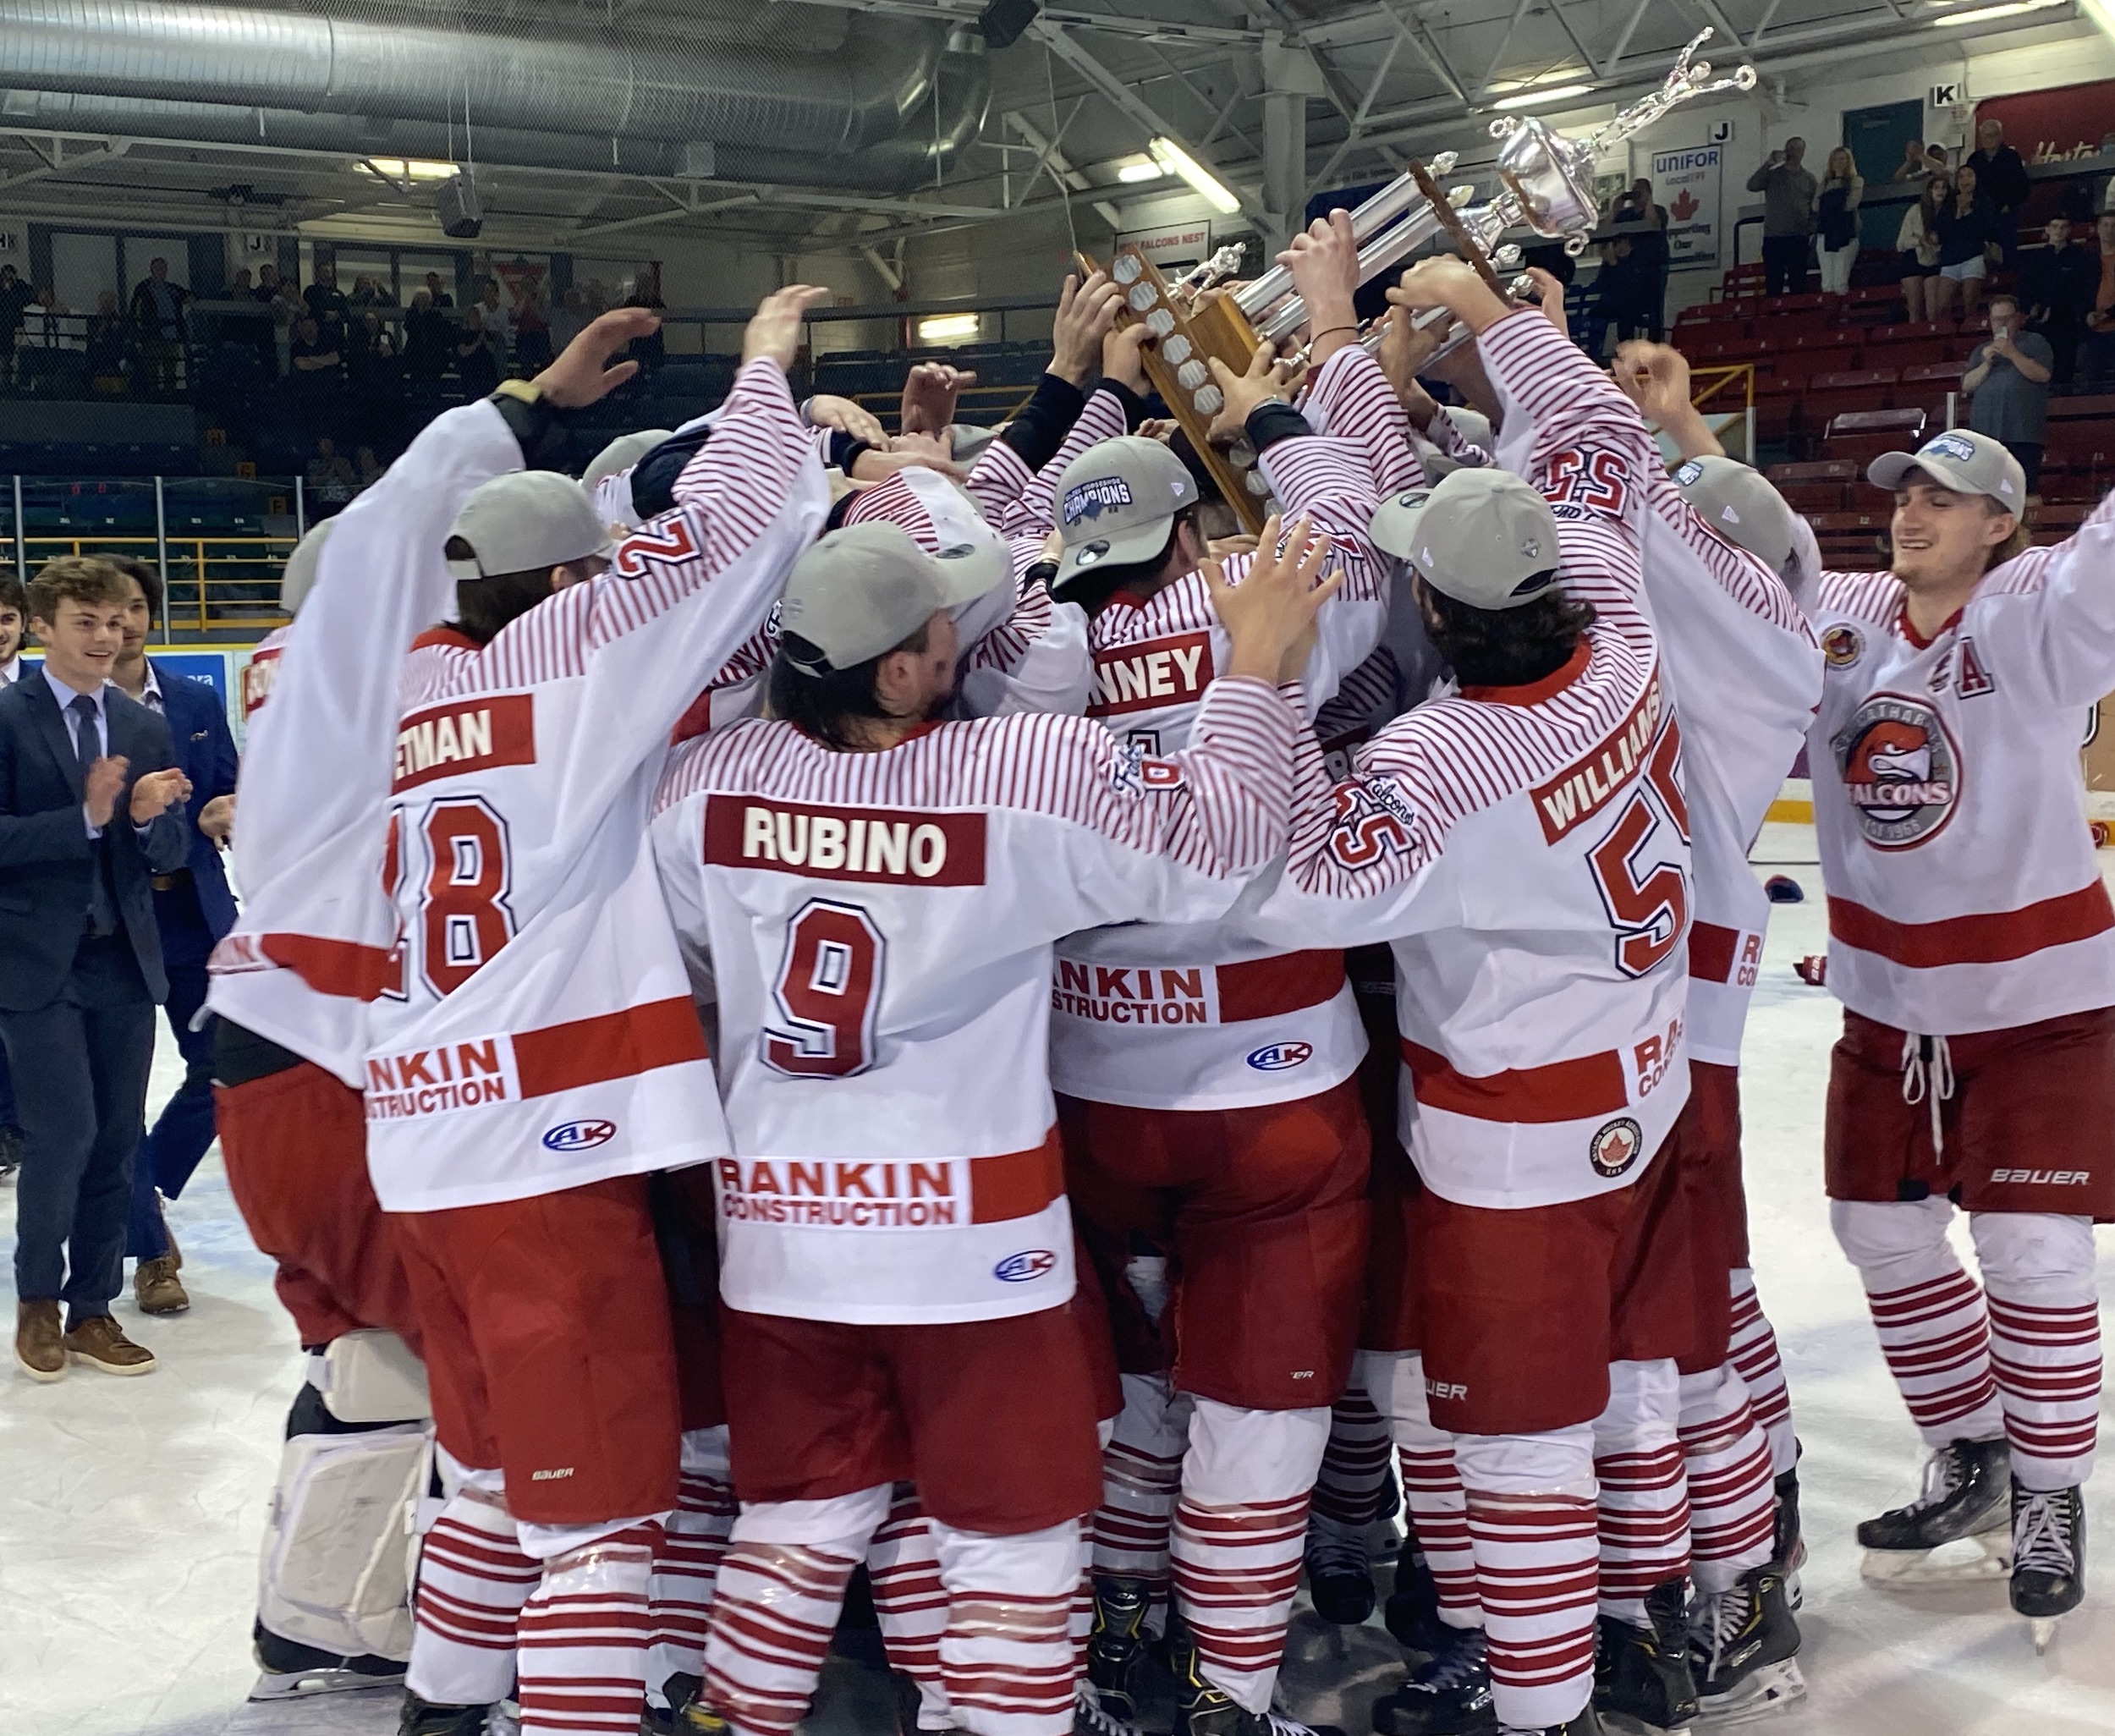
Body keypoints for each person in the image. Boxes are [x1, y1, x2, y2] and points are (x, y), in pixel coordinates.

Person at [649, 503, 1323, 1736]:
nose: (963, 627)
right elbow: (1224, 840)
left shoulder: (706, 784)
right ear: (900, 669)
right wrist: (1263, 664)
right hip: (973, 1246)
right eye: (937, 621)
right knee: (1010, 1538)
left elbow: (687, 954)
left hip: (784, 1239)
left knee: (797, 1519)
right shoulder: (1021, 768)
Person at [368, 288, 828, 1736]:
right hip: (542, 1150)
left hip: (426, 1146)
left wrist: (527, 407)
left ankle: (444, 1705)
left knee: (493, 1477)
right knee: (602, 1521)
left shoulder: (403, 683)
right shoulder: (573, 658)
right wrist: (762, 373)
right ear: (573, 581)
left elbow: (400, 522)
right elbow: (746, 513)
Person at [1253, 256, 1689, 1736]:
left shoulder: (1445, 757)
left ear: (1430, 604)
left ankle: (1541, 1709)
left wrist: (1271, 679)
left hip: (1518, 1138)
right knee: (1601, 1393)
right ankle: (1635, 1622)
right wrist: (1502, 319)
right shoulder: (1620, 637)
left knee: (1515, 1437)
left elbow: (1298, 877)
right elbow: (1597, 444)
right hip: (1645, 1080)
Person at [205, 312, 660, 1711]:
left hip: (277, 1061)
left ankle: (325, 1624)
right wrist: (521, 406)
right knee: (493, 1378)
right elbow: (403, 518)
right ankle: (511, 1649)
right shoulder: (380, 658)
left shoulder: (322, 684)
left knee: (371, 1364)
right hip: (341, 1066)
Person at [1049, 218, 1391, 1736]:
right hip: (1274, 1078)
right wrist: (1280, 383)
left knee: (1130, 1385)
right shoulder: (1262, 594)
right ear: (1194, 530)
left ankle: (1120, 1615)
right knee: (1262, 1401)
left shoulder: (1006, 639)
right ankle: (1227, 1682)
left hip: (1089, 1083)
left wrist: (1080, 391)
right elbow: (1356, 511)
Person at [1795, 427, 2112, 1649]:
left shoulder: (2036, 614)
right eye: (1909, 492)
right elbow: (1735, 571)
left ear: (2001, 526)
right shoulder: (1850, 616)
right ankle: (1973, 1448)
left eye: (1952, 499)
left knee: (2034, 1253)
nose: (1917, 512)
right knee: (1878, 1231)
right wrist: (1671, 435)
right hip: (1892, 1003)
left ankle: (2047, 1494)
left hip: (2041, 1008)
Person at [1608, 343, 1828, 1726]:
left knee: (1679, 1324)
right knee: (1706, 1300)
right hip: (1674, 1028)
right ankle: (1770, 1497)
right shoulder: (1726, 657)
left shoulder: (1728, 661)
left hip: (1674, 1038)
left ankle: (1744, 1564)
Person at [1, 557, 190, 1382]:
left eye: (116, 621)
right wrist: (85, 818)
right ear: (43, 627)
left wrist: (150, 822)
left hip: (123, 958)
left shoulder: (140, 724)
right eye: (87, 622)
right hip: (37, 962)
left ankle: (91, 1310)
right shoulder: (7, 717)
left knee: (116, 1140)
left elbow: (170, 851)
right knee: (63, 1133)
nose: (107, 636)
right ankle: (37, 1301)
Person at [102, 558, 239, 1318]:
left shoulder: (194, 697)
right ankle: (152, 1252)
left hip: (195, 912)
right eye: (107, 613)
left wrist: (231, 806)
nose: (122, 625)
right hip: (115, 922)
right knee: (118, 1094)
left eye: (134, 609)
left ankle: (143, 1183)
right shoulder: (69, 715)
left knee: (228, 1067)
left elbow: (226, 780)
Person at [1963, 294, 2055, 500]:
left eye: (2008, 318)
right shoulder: (1981, 350)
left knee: (2027, 491)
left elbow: (2042, 374)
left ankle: (2032, 531)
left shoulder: (2035, 342)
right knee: (1987, 495)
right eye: (1997, 319)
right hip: (1986, 435)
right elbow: (1967, 385)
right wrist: (1986, 364)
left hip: (2023, 433)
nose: (2002, 323)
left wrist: (2012, 353)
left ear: (2018, 318)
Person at [2020, 213, 2097, 383]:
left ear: (2069, 230)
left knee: (2064, 371)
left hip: (2067, 323)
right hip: (2040, 323)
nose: (2058, 231)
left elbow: (2084, 289)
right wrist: (2032, 309)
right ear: (2047, 229)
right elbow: (2024, 290)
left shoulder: (2080, 257)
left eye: (2063, 227)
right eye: (2054, 226)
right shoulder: (2034, 259)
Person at [1746, 138, 1817, 296]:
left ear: (1803, 152)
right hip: (1774, 237)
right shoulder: (1772, 175)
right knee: (1773, 283)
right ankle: (1773, 318)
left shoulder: (1809, 179)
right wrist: (1769, 163)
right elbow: (1752, 185)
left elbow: (1815, 208)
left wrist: (1810, 229)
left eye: (1798, 149)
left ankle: (1796, 317)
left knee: (1798, 283)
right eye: (1790, 148)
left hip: (1798, 238)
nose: (1793, 152)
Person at [1931, 163, 1996, 322]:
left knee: (1970, 304)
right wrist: (1959, 214)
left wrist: (1967, 211)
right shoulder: (1948, 203)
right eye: (1961, 176)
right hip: (1950, 258)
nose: (1965, 180)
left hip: (1973, 256)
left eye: (1969, 175)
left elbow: (1984, 230)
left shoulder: (1985, 202)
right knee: (1941, 307)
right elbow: (1943, 231)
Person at [1966, 116, 2032, 267]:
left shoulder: (2011, 157)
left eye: (1992, 135)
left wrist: (2009, 205)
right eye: (1984, 136)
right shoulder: (1974, 159)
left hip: (2004, 215)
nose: (1988, 139)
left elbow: (2022, 186)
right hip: (1980, 216)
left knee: (2007, 258)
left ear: (2000, 136)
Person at [1614, 177, 1671, 338]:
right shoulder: (1625, 215)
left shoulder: (1659, 210)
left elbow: (1653, 223)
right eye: (1634, 191)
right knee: (1626, 310)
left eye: (1639, 191)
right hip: (1629, 269)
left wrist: (1648, 201)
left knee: (1655, 309)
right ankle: (1626, 347)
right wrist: (1616, 207)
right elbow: (1609, 230)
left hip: (1653, 267)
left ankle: (1655, 344)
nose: (1636, 195)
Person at [128, 256, 189, 394]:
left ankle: (170, 396)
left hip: (172, 334)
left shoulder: (172, 288)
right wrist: (139, 331)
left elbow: (188, 296)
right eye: (158, 268)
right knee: (152, 368)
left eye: (163, 268)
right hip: (153, 334)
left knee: (170, 369)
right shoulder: (143, 288)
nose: (161, 271)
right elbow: (135, 310)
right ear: (151, 269)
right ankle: (153, 396)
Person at [1898, 175, 1949, 323]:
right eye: (1936, 187)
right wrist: (1920, 240)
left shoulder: (1949, 213)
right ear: (1929, 191)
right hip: (1913, 258)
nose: (1940, 191)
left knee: (1933, 310)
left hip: (1936, 259)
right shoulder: (1915, 210)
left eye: (1944, 187)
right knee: (1915, 309)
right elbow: (1901, 243)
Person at [1816, 147, 1865, 297]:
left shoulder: (1856, 181)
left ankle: (1841, 316)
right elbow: (1815, 205)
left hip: (1845, 233)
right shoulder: (1823, 184)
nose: (1839, 163)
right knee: (1827, 283)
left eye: (1843, 159)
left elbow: (1850, 203)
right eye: (1836, 159)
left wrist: (1830, 203)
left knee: (1840, 280)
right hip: (1825, 233)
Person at [0, 261, 36, 385]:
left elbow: (29, 298)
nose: (8, 278)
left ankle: (14, 382)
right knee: (4, 357)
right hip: (2, 326)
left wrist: (13, 289)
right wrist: (5, 291)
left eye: (10, 275)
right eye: (5, 275)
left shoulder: (20, 286)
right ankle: (5, 382)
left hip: (16, 326)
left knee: (16, 354)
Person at [404, 288, 449, 382]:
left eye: (424, 299)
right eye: (419, 299)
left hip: (433, 355)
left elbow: (438, 333)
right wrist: (420, 313)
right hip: (415, 355)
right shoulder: (411, 314)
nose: (422, 301)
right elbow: (410, 328)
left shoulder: (436, 315)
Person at [454, 306, 497, 396]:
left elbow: (493, 349)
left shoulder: (484, 333)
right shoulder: (462, 334)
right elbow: (464, 352)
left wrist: (483, 336)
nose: (474, 318)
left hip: (486, 371)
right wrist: (477, 343)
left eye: (477, 315)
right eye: (472, 316)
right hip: (470, 370)